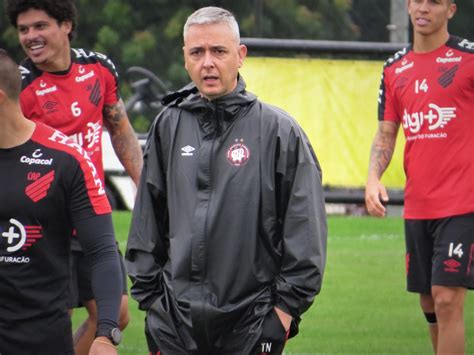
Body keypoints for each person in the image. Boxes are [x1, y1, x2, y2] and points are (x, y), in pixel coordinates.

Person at [125, 6, 327, 355]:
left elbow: (304, 230)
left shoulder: (279, 131)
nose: (207, 62)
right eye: (197, 52)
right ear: (185, 59)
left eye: (218, 51)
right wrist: (153, 303)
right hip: (174, 322)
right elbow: (147, 220)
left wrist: (282, 312)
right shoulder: (168, 125)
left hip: (252, 322)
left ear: (240, 56)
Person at [5, 1, 143, 354]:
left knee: (117, 313)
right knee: (54, 313)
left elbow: (121, 130)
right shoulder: (21, 85)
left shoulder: (99, 68)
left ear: (66, 25)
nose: (31, 37)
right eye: (23, 30)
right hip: (47, 219)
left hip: (88, 208)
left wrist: (146, 190)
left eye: (40, 26)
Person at [365, 0, 474, 353]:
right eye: (417, 0)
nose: (423, 8)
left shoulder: (469, 59)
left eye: (435, 1)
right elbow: (386, 134)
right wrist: (373, 178)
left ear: (451, 10)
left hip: (463, 203)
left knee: (446, 299)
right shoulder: (395, 68)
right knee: (429, 302)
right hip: (419, 205)